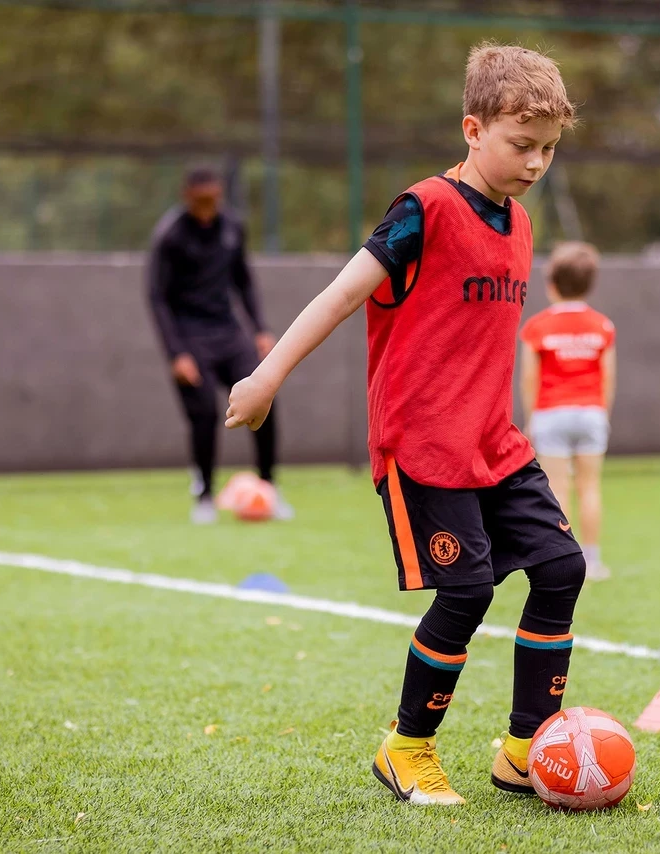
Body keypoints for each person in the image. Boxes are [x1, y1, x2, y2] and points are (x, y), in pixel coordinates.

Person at [225, 43, 581, 806]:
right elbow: (338, 297)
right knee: (469, 592)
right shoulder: (424, 210)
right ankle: (406, 748)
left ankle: (526, 750)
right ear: (472, 128)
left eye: (548, 149)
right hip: (425, 446)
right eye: (522, 146)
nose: (535, 163)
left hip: (497, 443)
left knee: (561, 568)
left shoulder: (518, 224)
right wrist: (267, 377)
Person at [146, 166, 293, 524]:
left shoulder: (231, 227)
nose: (208, 207)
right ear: (188, 196)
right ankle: (205, 495)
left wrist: (259, 328)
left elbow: (243, 281)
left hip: (228, 332)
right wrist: (175, 353)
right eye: (201, 200)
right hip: (189, 335)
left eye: (214, 199)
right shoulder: (171, 235)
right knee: (205, 414)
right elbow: (157, 297)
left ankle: (267, 488)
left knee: (263, 398)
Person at [519, 242, 616, 580]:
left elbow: (530, 377)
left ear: (551, 284)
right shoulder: (602, 326)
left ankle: (561, 562)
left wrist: (532, 417)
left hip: (551, 413)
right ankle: (591, 560)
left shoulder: (536, 327)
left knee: (557, 489)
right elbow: (608, 377)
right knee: (590, 486)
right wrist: (602, 414)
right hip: (591, 413)